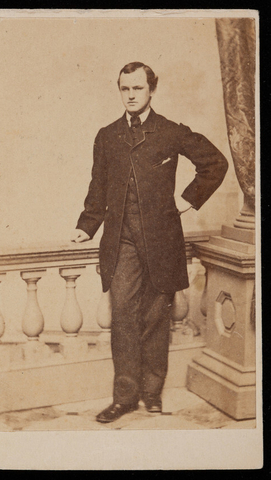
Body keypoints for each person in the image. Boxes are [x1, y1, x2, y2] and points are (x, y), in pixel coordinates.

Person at [70, 62, 228, 423]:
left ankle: (152, 394)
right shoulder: (107, 135)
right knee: (123, 316)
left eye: (137, 89)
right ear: (119, 90)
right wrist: (87, 225)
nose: (130, 95)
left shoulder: (170, 132)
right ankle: (124, 397)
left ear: (151, 90)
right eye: (125, 88)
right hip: (121, 239)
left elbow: (214, 163)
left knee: (157, 318)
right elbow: (98, 186)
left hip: (161, 240)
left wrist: (187, 201)